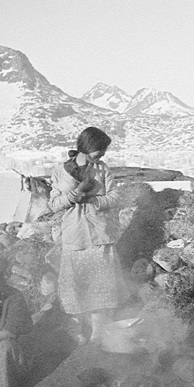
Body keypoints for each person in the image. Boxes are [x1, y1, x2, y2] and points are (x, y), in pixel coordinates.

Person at [49, 127, 125, 346]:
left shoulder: (102, 169)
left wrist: (94, 201)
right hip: (75, 235)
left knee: (102, 286)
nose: (102, 154)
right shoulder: (60, 171)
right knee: (77, 286)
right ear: (87, 146)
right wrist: (73, 196)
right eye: (98, 150)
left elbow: (115, 196)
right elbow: (53, 204)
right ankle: (80, 330)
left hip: (99, 234)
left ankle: (98, 333)